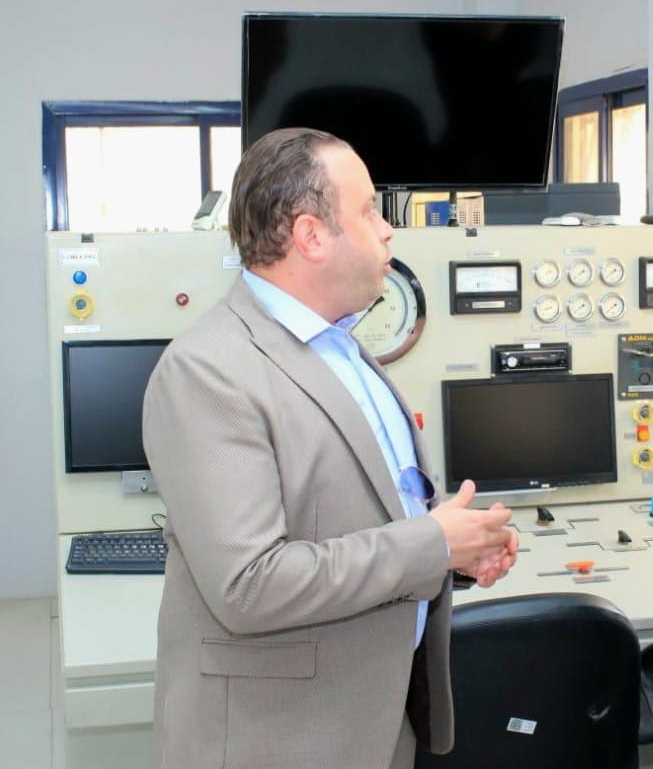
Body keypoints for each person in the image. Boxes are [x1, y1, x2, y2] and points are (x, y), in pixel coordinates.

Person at [143, 127, 519, 769]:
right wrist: (432, 544)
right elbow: (248, 586)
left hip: (377, 720)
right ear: (311, 235)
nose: (389, 230)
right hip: (282, 739)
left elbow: (365, 518)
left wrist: (456, 552)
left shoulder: (341, 346)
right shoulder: (209, 372)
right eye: (370, 211)